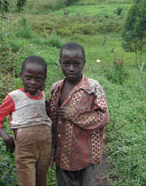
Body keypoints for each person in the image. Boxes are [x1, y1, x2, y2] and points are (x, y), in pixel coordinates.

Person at [47, 42, 110, 186]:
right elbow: (53, 117)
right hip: (62, 153)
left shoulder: (93, 87)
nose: (71, 68)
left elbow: (104, 117)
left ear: (84, 63)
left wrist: (75, 116)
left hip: (85, 154)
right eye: (66, 64)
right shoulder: (56, 87)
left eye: (76, 64)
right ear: (60, 63)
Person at [0, 55, 52, 186]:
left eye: (38, 79)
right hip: (25, 150)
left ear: (44, 80)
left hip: (45, 148)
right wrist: (6, 138)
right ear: (21, 75)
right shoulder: (15, 97)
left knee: (42, 181)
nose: (33, 82)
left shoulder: (42, 97)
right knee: (26, 181)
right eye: (28, 78)